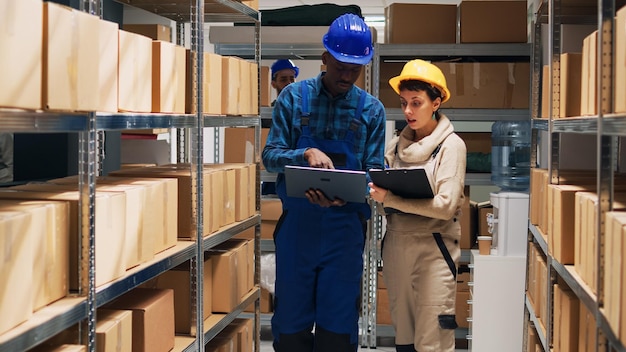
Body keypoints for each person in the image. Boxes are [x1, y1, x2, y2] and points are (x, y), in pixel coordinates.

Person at [262, 13, 386, 352]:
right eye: (340, 67)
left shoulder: (371, 111)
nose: (347, 76)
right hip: (298, 231)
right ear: (325, 57)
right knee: (290, 329)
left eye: (354, 69)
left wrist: (354, 193)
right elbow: (270, 155)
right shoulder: (293, 98)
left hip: (344, 233)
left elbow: (374, 173)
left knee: (337, 331)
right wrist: (303, 154)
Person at [368, 59, 467, 352]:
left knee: (432, 341)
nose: (408, 111)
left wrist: (392, 199)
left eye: (417, 102)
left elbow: (445, 207)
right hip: (397, 248)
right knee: (405, 340)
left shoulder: (452, 146)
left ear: (436, 102)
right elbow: (383, 197)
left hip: (434, 252)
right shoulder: (394, 146)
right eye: (403, 103)